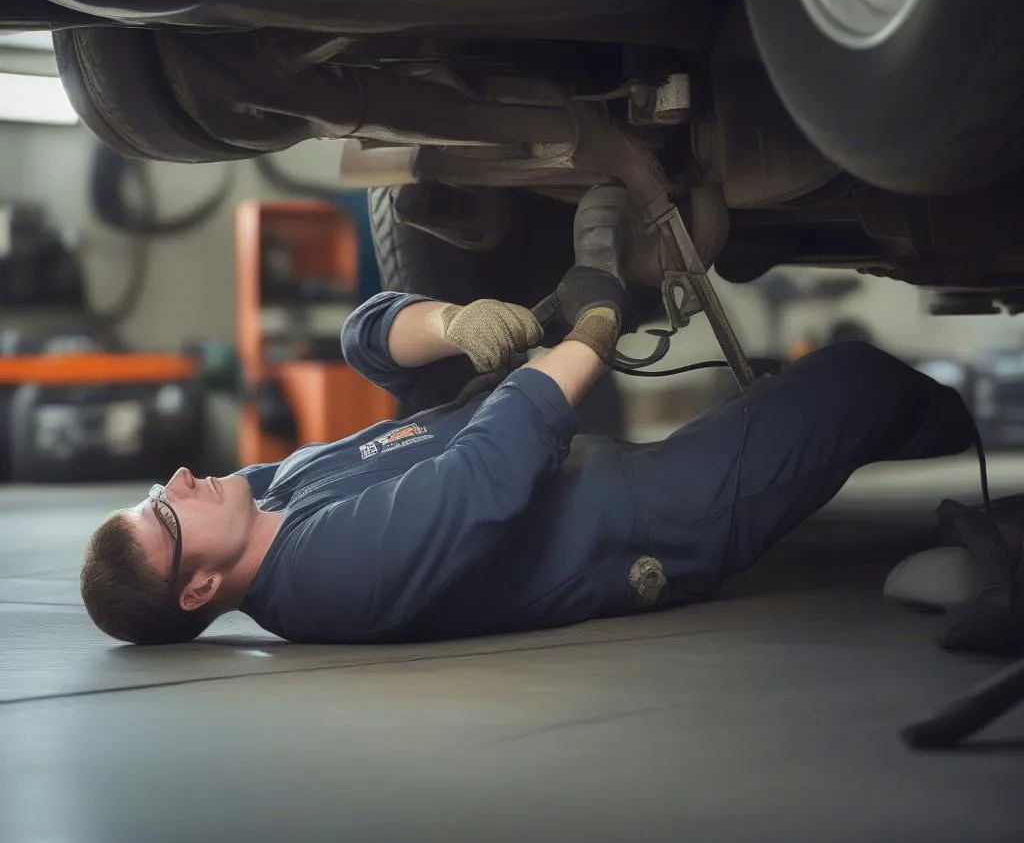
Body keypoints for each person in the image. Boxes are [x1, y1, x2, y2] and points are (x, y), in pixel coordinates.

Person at [80, 262, 977, 645]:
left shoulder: (275, 496)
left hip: (596, 468)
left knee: (802, 397)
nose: (184, 480)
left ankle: (927, 437)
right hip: (653, 522)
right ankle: (965, 461)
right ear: (198, 589)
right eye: (169, 511)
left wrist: (453, 327)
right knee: (856, 378)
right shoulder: (319, 580)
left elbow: (362, 340)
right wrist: (590, 328)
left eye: (161, 488)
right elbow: (484, 476)